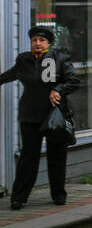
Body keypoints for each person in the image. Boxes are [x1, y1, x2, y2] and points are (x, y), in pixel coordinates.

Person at [0, 26, 79, 209]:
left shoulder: (60, 59)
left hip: (54, 115)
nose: (38, 43)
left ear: (49, 43)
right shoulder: (24, 60)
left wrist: (57, 89)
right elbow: (11, 74)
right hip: (30, 115)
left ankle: (58, 195)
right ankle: (19, 198)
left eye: (42, 40)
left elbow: (73, 81)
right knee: (28, 157)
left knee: (57, 157)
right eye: (35, 40)